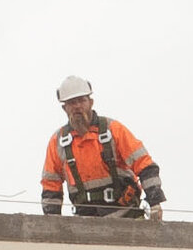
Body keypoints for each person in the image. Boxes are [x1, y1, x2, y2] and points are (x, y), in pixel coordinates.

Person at [39, 76, 166, 219]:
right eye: (72, 103)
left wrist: (155, 202)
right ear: (64, 108)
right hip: (84, 222)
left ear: (91, 102)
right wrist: (51, 221)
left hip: (126, 215)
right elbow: (51, 185)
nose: (77, 106)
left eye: (82, 100)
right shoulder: (58, 142)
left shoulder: (113, 130)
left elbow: (145, 166)